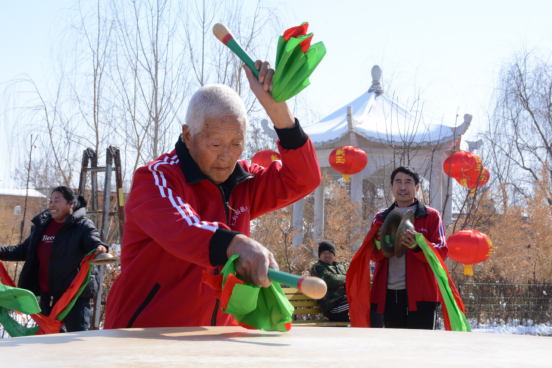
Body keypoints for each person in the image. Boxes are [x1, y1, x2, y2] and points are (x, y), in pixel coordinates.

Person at [104, 60, 321, 329]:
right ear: (188, 136)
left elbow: (304, 178)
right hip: (145, 335)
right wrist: (236, 243)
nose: (227, 156)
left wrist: (279, 112)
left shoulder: (243, 180)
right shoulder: (155, 179)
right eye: (216, 143)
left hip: (215, 338)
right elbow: (185, 228)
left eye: (237, 143)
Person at [0, 186, 107, 332]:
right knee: (48, 341)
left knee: (75, 342)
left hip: (73, 298)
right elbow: (24, 250)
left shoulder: (82, 225)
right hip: (47, 296)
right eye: (50, 201)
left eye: (56, 200)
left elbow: (94, 243)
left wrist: (100, 249)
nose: (51, 204)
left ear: (71, 204)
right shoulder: (43, 226)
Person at [370, 166, 447, 329]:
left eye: (408, 182)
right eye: (398, 182)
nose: (403, 187)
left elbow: (442, 252)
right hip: (388, 294)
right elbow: (372, 255)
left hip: (423, 294)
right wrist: (378, 241)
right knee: (394, 347)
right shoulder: (380, 217)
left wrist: (418, 245)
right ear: (391, 187)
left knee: (420, 347)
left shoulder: (431, 215)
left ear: (417, 187)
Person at [310, 240, 349, 322]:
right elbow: (331, 280)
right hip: (333, 307)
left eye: (330, 252)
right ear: (320, 255)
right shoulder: (317, 267)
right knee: (359, 304)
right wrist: (347, 280)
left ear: (334, 254)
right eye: (324, 252)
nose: (327, 255)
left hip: (345, 302)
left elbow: (353, 281)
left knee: (369, 303)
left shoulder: (341, 267)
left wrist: (343, 283)